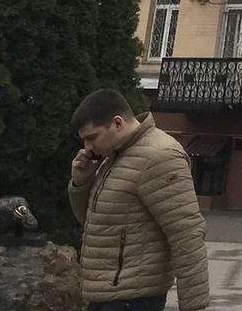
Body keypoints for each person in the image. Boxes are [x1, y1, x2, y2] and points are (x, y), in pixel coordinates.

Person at [67, 88, 209, 311]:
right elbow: (94, 223)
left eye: (92, 137)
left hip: (133, 299)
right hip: (107, 295)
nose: (88, 148)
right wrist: (81, 183)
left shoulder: (160, 155)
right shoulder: (114, 156)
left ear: (117, 123)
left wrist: (193, 306)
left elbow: (186, 233)